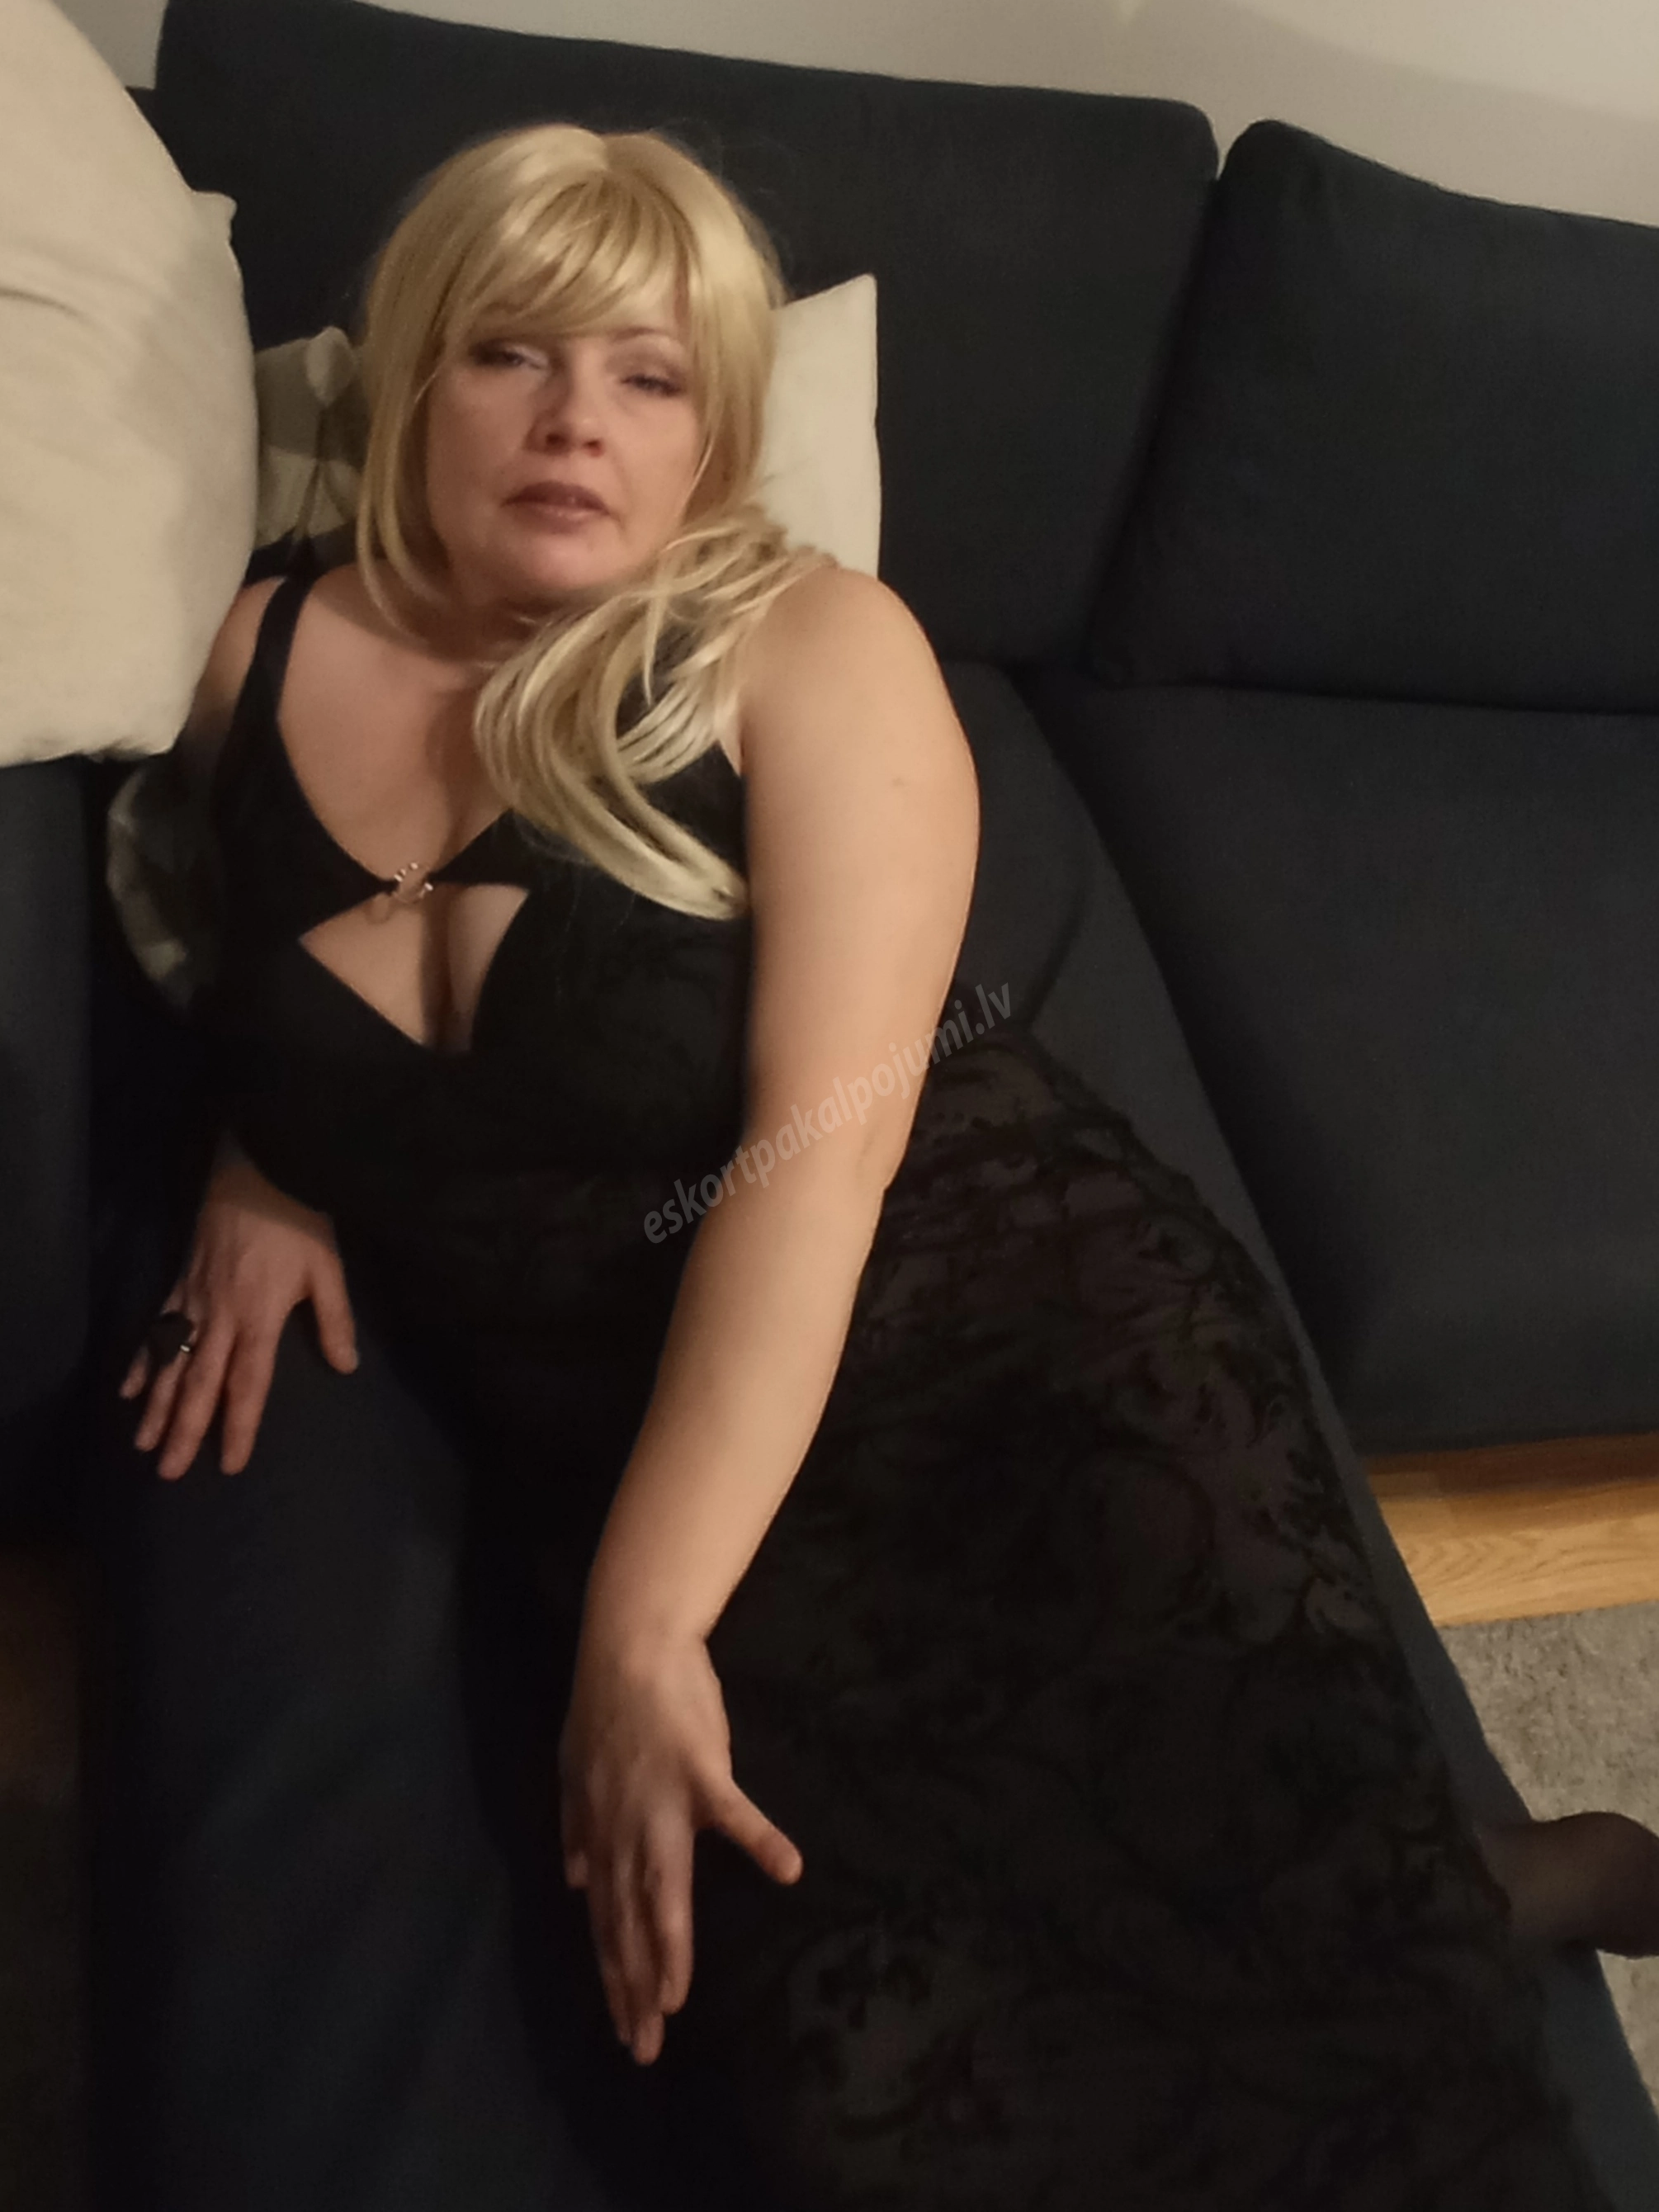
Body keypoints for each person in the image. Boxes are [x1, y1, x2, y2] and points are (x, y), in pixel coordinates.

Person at [87, 121, 1659, 2212]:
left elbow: (811, 1164)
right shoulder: (247, 662)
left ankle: (1469, 1878)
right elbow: (243, 964)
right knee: (873, 2068)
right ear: (413, 378)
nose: (576, 420)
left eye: (649, 375)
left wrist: (642, 1622)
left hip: (996, 1334)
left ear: (715, 430)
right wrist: (269, 1158)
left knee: (1326, 2036)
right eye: (511, 352)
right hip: (629, 1406)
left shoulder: (812, 647)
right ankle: (1498, 1869)